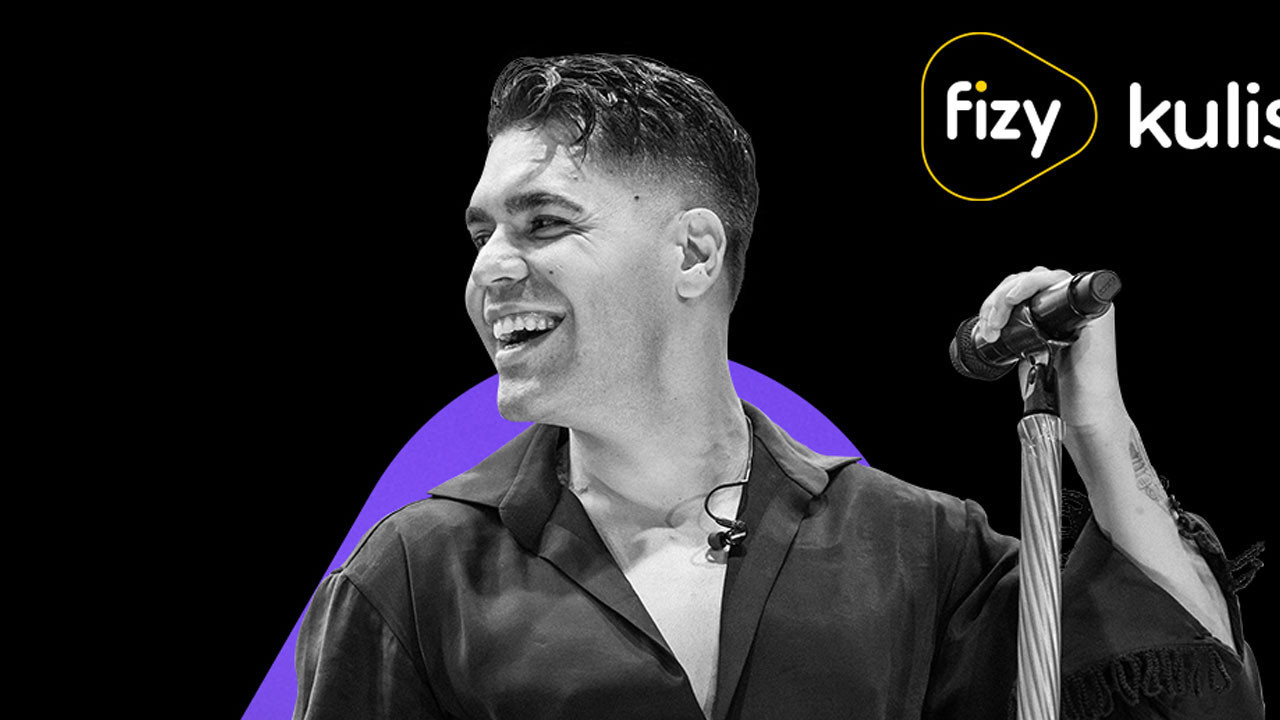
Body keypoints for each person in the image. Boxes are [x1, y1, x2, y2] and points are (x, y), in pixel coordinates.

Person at [292, 54, 1264, 719]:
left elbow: (1188, 682)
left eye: (543, 223)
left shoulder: (912, 547)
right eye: (482, 233)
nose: (490, 268)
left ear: (693, 252)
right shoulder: (412, 577)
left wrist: (1098, 426)